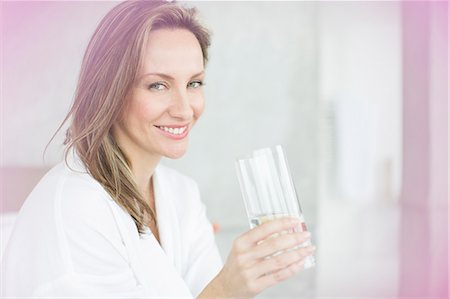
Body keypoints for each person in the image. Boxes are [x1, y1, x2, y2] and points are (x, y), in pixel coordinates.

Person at [1, 0, 315, 298]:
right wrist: (229, 288)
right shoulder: (76, 209)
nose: (184, 109)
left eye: (194, 83)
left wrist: (237, 285)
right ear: (110, 91)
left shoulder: (180, 196)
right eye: (158, 85)